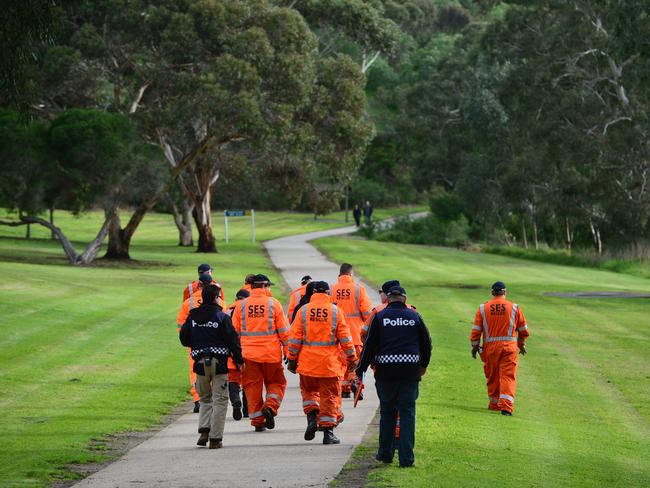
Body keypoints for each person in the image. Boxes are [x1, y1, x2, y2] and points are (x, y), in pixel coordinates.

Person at [357, 285, 432, 468]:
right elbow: (427, 344)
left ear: (388, 299)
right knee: (407, 414)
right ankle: (406, 459)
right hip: (409, 373)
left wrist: (361, 369)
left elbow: (369, 346)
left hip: (386, 373)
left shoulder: (380, 317)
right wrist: (423, 366)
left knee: (387, 412)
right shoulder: (414, 316)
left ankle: (385, 454)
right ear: (404, 299)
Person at [287, 281, 357, 445]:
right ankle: (328, 432)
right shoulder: (336, 312)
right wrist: (352, 357)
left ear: (313, 294)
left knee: (309, 393)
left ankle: (312, 418)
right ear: (328, 293)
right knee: (329, 397)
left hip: (307, 363)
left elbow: (295, 338)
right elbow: (345, 338)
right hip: (329, 364)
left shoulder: (303, 311)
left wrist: (292, 358)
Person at [179, 284, 244, 449]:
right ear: (216, 298)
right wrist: (239, 359)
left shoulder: (193, 316)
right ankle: (215, 439)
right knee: (220, 400)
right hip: (219, 364)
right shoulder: (221, 317)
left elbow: (184, 339)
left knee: (205, 399)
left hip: (199, 364)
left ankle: (204, 431)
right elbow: (232, 340)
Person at [231, 274, 289, 432]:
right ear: (264, 286)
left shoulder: (241, 306)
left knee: (252, 386)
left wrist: (235, 355)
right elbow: (284, 332)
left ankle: (258, 420)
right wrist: (288, 352)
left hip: (248, 354)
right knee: (276, 383)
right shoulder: (274, 304)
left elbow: (234, 333)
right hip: (271, 354)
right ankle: (270, 407)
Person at [470, 281, 529, 416]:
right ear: (505, 292)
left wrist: (474, 347)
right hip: (509, 348)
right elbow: (523, 330)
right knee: (508, 376)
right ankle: (506, 408)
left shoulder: (483, 308)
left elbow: (476, 331)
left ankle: (494, 404)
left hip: (490, 349)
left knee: (492, 376)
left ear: (492, 293)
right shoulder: (514, 308)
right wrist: (521, 344)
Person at [331, 263, 372, 397]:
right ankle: (355, 382)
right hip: (355, 333)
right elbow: (367, 313)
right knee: (357, 362)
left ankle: (345, 389)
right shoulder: (358, 289)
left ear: (339, 275)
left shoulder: (331, 289)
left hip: (338, 335)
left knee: (342, 363)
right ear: (351, 274)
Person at [177, 273, 215, 412]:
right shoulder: (218, 302)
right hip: (213, 342)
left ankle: (198, 398)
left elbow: (181, 326)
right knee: (214, 370)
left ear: (198, 285)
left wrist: (187, 340)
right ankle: (209, 397)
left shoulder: (189, 302)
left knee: (195, 371)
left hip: (195, 343)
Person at [226, 289, 251, 420]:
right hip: (245, 349)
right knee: (247, 380)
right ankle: (247, 409)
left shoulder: (226, 310)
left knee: (233, 380)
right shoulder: (247, 310)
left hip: (230, 351)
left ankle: (236, 400)